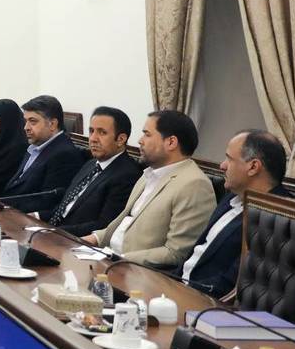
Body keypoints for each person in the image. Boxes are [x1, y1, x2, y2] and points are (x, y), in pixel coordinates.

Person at [84, 110, 215, 269]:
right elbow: (123, 222)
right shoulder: (149, 174)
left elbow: (176, 253)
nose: (140, 140)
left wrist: (118, 259)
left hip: (134, 270)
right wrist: (92, 239)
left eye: (147, 134)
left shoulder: (195, 185)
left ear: (171, 142)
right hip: (108, 259)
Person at [182, 129, 291, 297]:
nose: (222, 165)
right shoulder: (231, 196)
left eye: (229, 159)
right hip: (179, 286)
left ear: (253, 167)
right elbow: (196, 255)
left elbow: (232, 284)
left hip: (205, 300)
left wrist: (180, 293)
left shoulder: (278, 218)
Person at [44, 106, 142, 236]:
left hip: (74, 241)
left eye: (102, 132)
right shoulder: (91, 164)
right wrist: (37, 216)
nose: (93, 138)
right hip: (53, 232)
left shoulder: (127, 175)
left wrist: (53, 232)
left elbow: (104, 226)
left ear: (120, 139)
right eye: (91, 131)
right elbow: (64, 209)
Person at [0, 95, 86, 215]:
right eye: (26, 121)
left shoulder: (64, 155)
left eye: (33, 121)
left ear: (52, 124)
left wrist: (5, 208)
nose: (26, 128)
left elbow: (47, 203)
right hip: (7, 211)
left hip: (23, 219)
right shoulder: (35, 146)